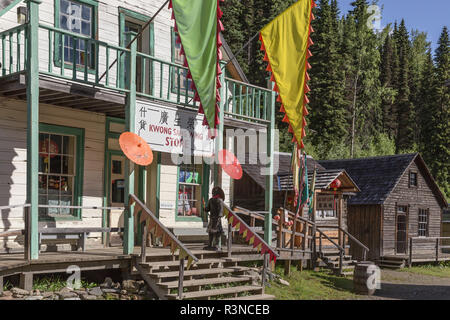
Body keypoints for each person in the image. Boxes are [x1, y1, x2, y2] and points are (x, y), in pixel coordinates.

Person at [204, 186, 225, 251]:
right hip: (214, 219)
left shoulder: (218, 200)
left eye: (214, 192)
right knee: (212, 232)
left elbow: (220, 211)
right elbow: (208, 209)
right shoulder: (213, 200)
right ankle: (211, 245)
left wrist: (219, 217)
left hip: (215, 219)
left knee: (216, 233)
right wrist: (205, 208)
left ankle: (216, 245)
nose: (213, 193)